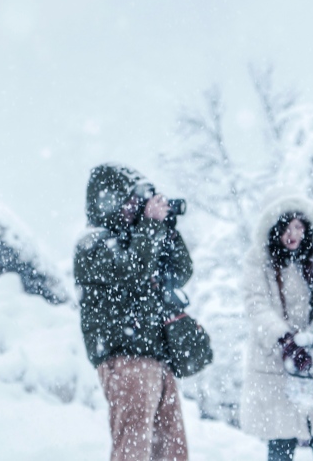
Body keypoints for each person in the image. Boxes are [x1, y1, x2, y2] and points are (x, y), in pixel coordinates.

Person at [74, 163, 192, 461]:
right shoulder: (93, 243)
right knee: (134, 451)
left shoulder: (139, 238)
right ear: (108, 201)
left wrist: (166, 230)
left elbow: (181, 271)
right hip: (125, 359)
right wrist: (150, 227)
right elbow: (129, 272)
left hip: (156, 358)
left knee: (172, 452)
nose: (135, 208)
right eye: (129, 201)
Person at [240, 192, 313, 461]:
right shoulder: (258, 259)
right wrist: (285, 341)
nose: (293, 234)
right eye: (287, 227)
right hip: (275, 361)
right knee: (281, 439)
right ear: (275, 229)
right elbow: (255, 304)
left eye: (299, 227)